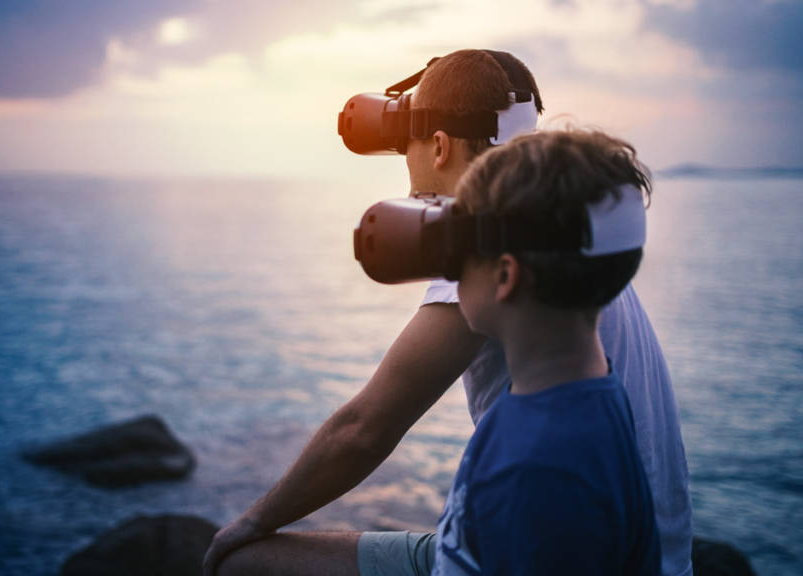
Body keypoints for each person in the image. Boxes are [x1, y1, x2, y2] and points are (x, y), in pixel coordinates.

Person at [203, 49, 691, 576]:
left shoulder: (498, 253)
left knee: (245, 564)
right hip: (627, 550)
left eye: (405, 145)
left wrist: (249, 524)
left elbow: (365, 428)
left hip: (556, 547)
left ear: (438, 146)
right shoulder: (572, 239)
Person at [431, 128, 661, 574]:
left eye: (456, 250)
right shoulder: (589, 392)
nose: (448, 268)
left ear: (505, 276)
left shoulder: (538, 475)